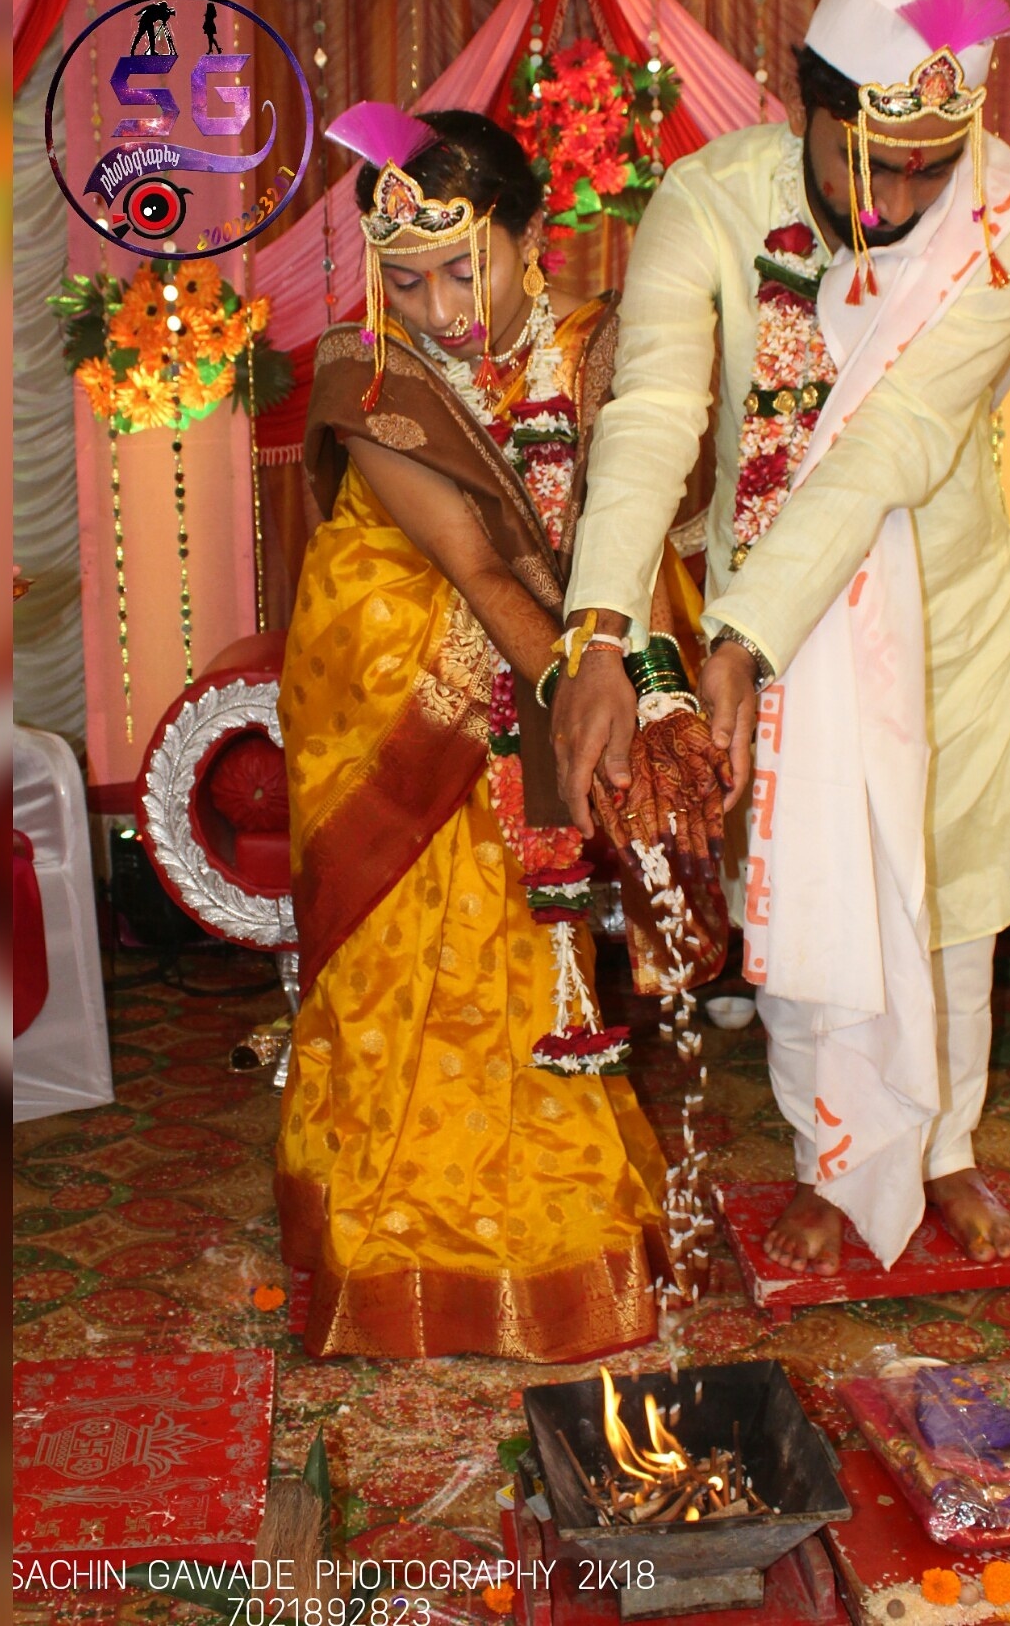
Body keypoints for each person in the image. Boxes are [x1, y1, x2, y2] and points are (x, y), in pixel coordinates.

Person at [554, 0, 1010, 1278]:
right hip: (773, 617)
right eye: (875, 163)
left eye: (929, 167)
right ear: (810, 109)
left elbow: (892, 440)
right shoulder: (710, 202)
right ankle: (827, 1161)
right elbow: (652, 416)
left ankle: (943, 1150)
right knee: (801, 889)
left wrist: (742, 639)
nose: (899, 201)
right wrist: (601, 632)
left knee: (953, 888)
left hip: (943, 613)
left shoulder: (1005, 223)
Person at [275, 105, 697, 1361]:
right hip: (407, 699)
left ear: (531, 235)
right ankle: (394, 1244)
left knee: (532, 969)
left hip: (553, 675)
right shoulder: (370, 371)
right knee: (412, 973)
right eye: (407, 280)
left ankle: (550, 1229)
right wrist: (587, 694)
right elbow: (469, 565)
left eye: (465, 269)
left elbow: (647, 527)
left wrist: (643, 686)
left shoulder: (601, 353)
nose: (441, 308)